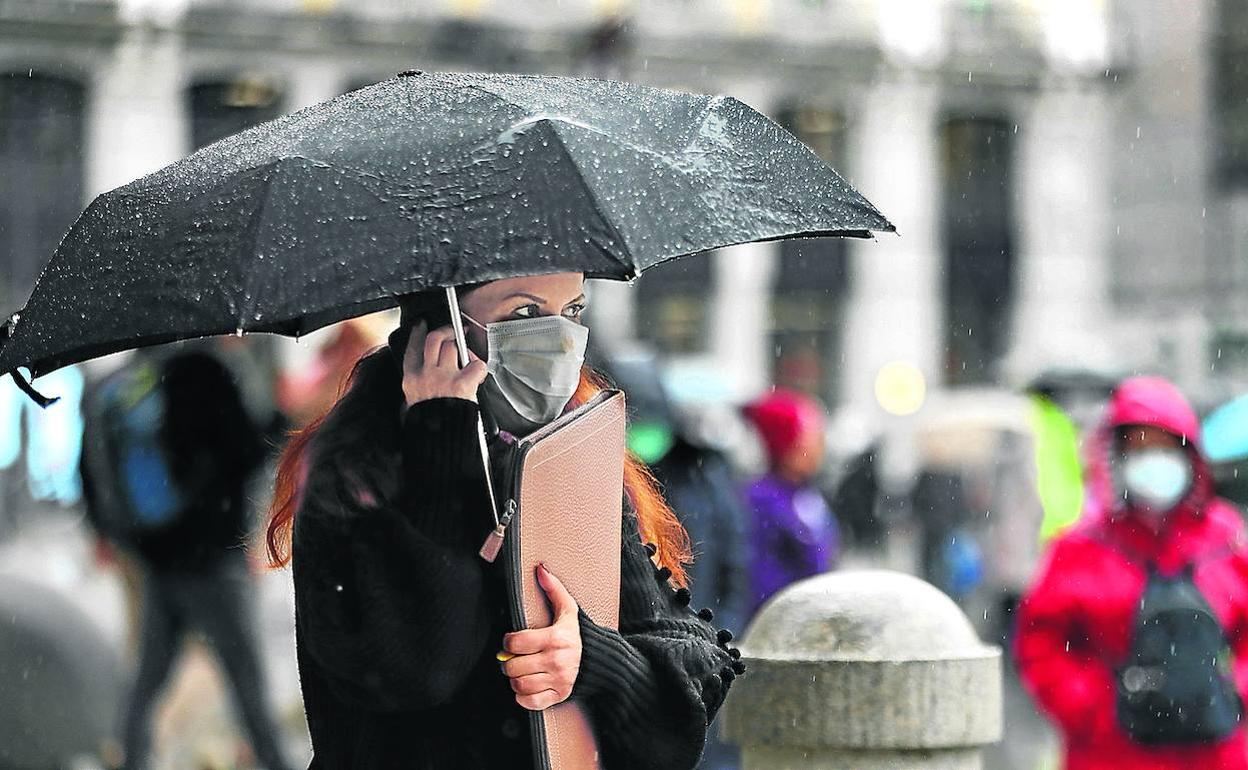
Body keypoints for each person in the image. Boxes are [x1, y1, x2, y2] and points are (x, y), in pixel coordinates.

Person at [265, 273, 742, 770]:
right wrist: (443, 436)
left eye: (573, 311)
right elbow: (413, 669)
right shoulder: (352, 468)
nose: (560, 339)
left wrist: (592, 661)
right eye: (525, 314)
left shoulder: (568, 451)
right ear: (443, 323)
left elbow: (691, 671)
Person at [1015, 376, 1248, 770]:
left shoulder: (1228, 540)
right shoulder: (1080, 549)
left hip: (1217, 753)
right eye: (1139, 448)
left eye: (1164, 447)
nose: (1153, 460)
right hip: (1113, 756)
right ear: (1117, 457)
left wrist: (1231, 692)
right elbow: (1041, 644)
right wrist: (1095, 707)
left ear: (1188, 455)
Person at [80, 347, 294, 770]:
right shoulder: (207, 371)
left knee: (148, 679)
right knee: (248, 683)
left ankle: (131, 760)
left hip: (160, 560)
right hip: (214, 560)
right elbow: (245, 451)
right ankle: (275, 763)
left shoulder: (125, 387)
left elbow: (87, 470)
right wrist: (278, 421)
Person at [740, 388, 839, 615]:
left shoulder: (806, 493)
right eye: (812, 437)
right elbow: (760, 580)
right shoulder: (761, 500)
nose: (819, 447)